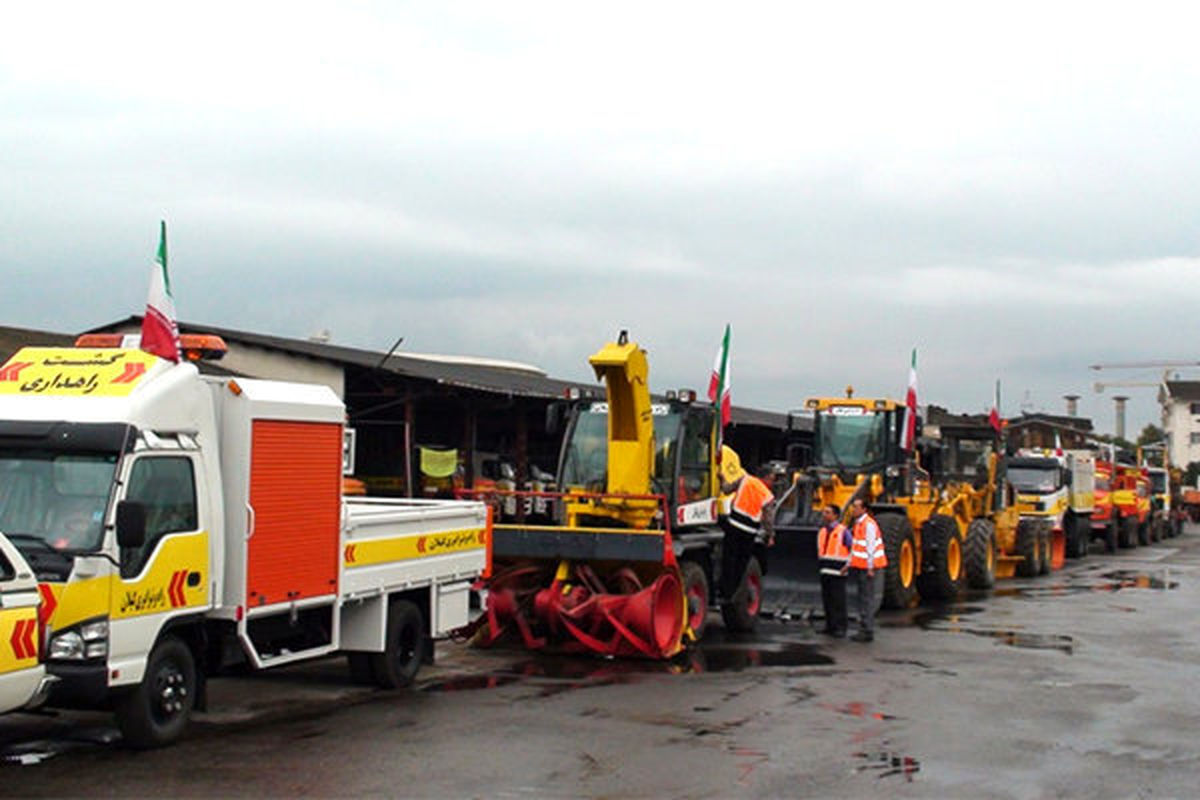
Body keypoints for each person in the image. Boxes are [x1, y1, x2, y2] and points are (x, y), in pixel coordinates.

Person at [717, 445, 776, 602]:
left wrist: (721, 478)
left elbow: (726, 489)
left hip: (733, 525)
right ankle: (730, 593)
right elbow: (768, 519)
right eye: (772, 479)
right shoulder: (767, 495)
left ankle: (722, 588)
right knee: (740, 564)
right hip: (748, 532)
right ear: (767, 478)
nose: (773, 482)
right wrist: (769, 536)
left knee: (728, 559)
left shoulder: (745, 480)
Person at [848, 497, 887, 642]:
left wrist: (870, 567)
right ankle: (864, 628)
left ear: (864, 509)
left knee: (867, 599)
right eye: (853, 507)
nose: (853, 509)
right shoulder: (859, 524)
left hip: (868, 568)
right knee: (863, 598)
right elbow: (856, 546)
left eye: (856, 507)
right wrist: (848, 563)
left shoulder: (868, 524)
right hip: (861, 566)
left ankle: (867, 630)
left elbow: (870, 547)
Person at [816, 504, 852, 637]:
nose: (824, 515)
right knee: (827, 600)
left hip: (838, 571)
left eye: (827, 512)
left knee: (838, 600)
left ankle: (840, 627)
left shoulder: (843, 531)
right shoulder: (822, 531)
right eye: (824, 512)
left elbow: (852, 548)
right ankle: (830, 625)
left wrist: (848, 564)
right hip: (825, 570)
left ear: (835, 515)